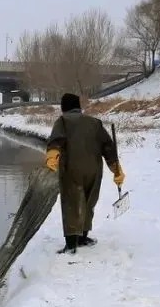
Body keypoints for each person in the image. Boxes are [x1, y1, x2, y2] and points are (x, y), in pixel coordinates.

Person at [43, 92, 125, 254]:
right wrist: (116, 170)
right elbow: (108, 147)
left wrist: (52, 159)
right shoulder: (95, 123)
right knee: (89, 202)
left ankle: (72, 243)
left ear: (64, 107)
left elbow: (56, 142)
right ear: (78, 107)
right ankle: (83, 237)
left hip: (71, 170)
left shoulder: (62, 122)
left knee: (72, 204)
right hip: (94, 169)